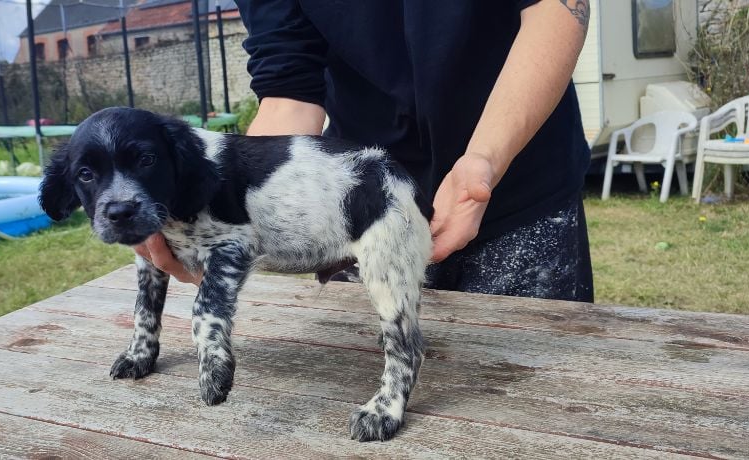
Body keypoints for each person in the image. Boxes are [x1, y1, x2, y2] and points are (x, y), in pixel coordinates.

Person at [136, 0, 594, 302]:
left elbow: (555, 9)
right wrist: (222, 207)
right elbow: (289, 91)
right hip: (362, 205)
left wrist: (485, 159)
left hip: (516, 183)